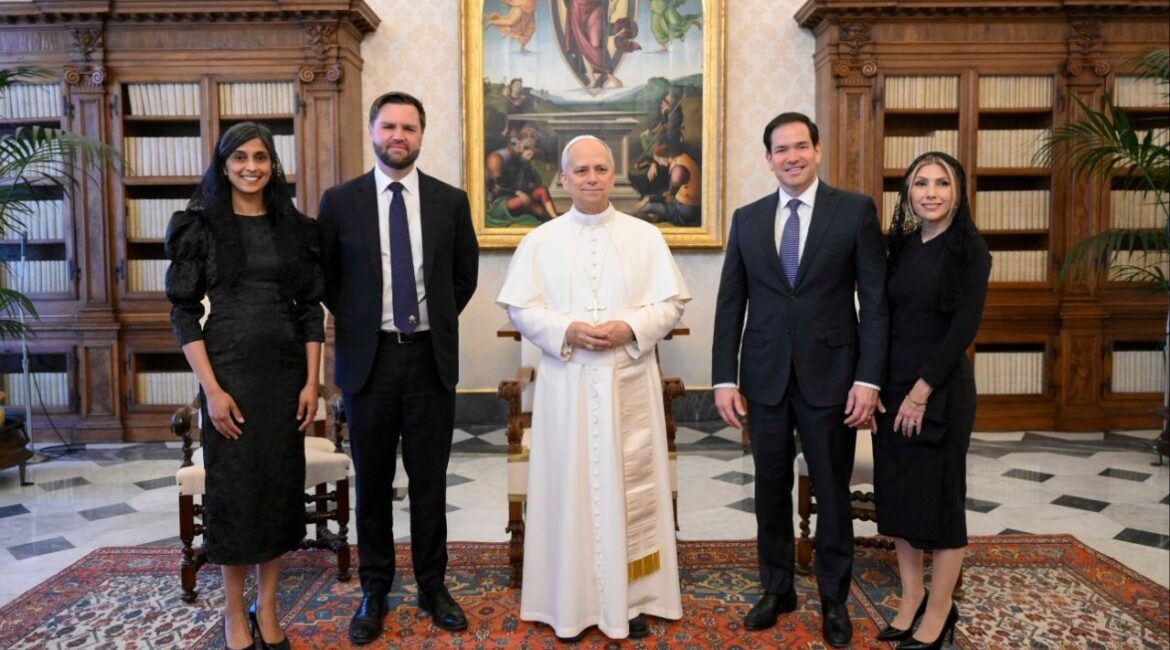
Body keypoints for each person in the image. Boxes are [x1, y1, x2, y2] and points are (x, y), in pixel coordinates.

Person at [497, 135, 689, 642]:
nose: (590, 177)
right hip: (568, 384)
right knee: (571, 489)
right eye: (579, 170)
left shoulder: (645, 237)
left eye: (600, 169)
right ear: (563, 178)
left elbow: (670, 305)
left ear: (613, 176)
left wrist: (630, 329)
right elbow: (521, 308)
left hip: (629, 380)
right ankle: (568, 602)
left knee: (629, 490)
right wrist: (566, 331)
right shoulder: (540, 240)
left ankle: (635, 600)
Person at [711, 112, 888, 647]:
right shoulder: (747, 219)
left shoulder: (853, 212)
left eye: (800, 146)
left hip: (833, 378)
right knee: (769, 488)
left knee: (832, 492)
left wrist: (869, 380)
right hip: (764, 378)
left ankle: (834, 598)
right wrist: (723, 378)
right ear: (767, 158)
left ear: (817, 150)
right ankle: (777, 587)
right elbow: (730, 304)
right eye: (780, 149)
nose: (790, 156)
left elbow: (875, 304)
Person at [317, 91, 479, 646]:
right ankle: (375, 588)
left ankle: (434, 586)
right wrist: (366, 323)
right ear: (372, 131)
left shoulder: (449, 201)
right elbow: (329, 280)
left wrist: (425, 321)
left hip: (430, 357)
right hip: (370, 360)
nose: (398, 136)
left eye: (408, 128)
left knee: (431, 482)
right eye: (389, 126)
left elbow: (463, 278)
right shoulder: (340, 202)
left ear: (421, 135)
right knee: (374, 483)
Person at [165, 121, 323, 650]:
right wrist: (210, 389)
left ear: (272, 164)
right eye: (239, 159)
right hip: (228, 373)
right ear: (223, 164)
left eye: (261, 157)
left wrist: (312, 384)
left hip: (285, 378)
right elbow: (184, 314)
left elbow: (310, 312)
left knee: (279, 492)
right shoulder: (201, 226)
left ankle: (268, 606)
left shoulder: (294, 227)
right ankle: (234, 611)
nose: (251, 167)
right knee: (235, 496)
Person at [872, 152, 990, 650]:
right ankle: (910, 596)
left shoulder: (971, 251)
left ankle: (941, 610)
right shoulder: (899, 246)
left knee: (941, 505)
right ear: (908, 193)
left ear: (958, 191)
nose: (931, 192)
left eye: (943, 183)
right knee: (898, 499)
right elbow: (884, 318)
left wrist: (920, 394)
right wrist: (879, 385)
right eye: (921, 183)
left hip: (938, 393)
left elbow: (962, 330)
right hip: (894, 389)